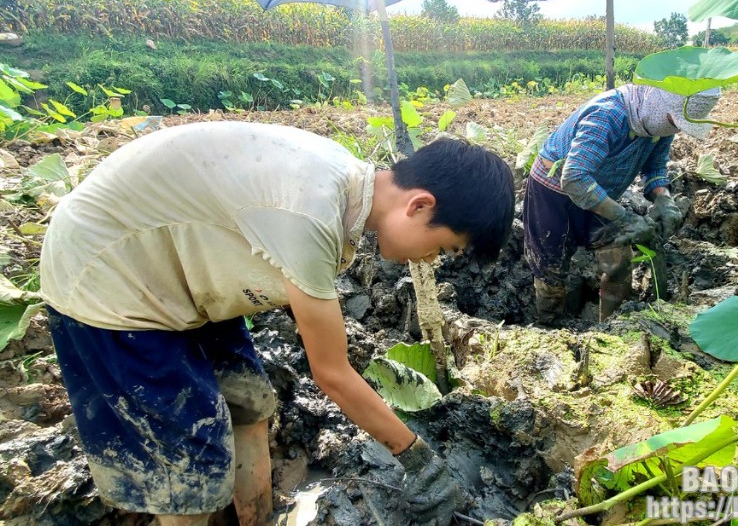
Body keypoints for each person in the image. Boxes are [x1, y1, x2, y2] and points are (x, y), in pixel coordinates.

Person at [39, 121, 516, 526]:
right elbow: (331, 374)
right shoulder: (311, 212)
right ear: (419, 205)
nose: (431, 260)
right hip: (108, 276)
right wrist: (417, 457)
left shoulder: (345, 185)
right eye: (443, 247)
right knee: (189, 471)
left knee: (251, 402)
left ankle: (258, 519)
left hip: (180, 267)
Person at [523, 84, 720, 323]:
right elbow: (574, 178)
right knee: (550, 268)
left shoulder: (660, 125)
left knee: (620, 262)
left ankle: (610, 325)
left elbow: (655, 168)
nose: (676, 129)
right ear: (659, 106)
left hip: (602, 194)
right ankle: (550, 325)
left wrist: (663, 198)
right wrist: (626, 219)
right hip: (553, 193)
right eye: (674, 121)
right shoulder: (608, 114)